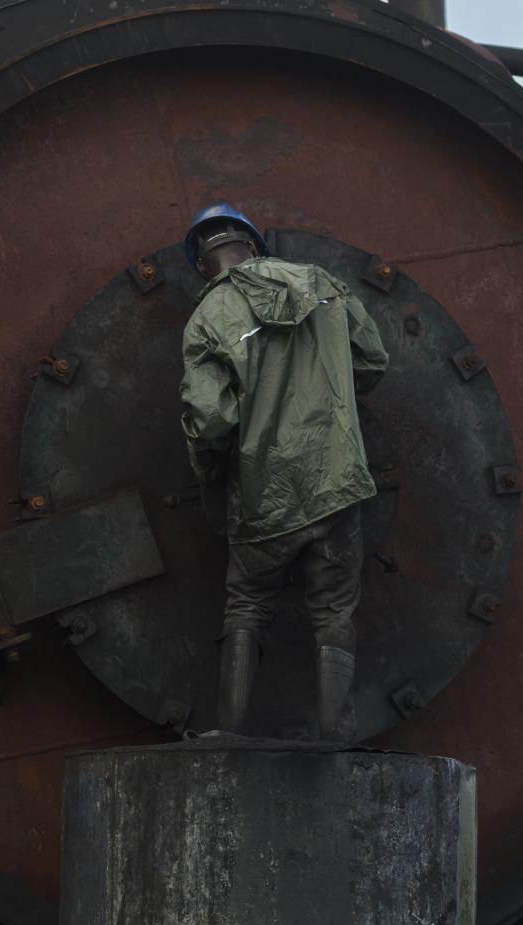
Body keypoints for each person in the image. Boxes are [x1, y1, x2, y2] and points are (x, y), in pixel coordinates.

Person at [177, 202, 389, 740]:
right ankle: (336, 735)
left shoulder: (208, 317)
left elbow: (210, 421)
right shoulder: (321, 283)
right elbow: (371, 360)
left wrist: (211, 473)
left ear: (202, 264)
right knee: (334, 609)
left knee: (247, 604)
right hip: (337, 480)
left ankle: (231, 731)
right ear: (253, 244)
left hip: (263, 492)